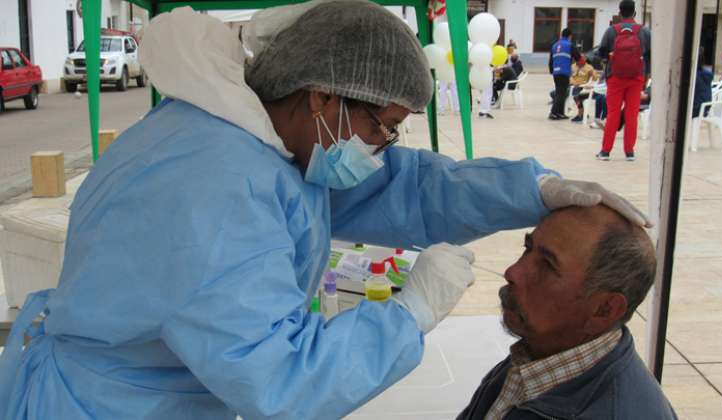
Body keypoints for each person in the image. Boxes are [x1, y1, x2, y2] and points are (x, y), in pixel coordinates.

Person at [0, 3, 652, 420]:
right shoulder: (215, 187)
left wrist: (529, 192)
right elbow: (279, 382)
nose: (383, 147)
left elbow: (399, 187)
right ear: (321, 98)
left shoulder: (267, 140)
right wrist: (406, 316)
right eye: (383, 125)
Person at [458, 204, 678, 420]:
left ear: (604, 310)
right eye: (527, 248)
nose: (512, 272)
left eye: (547, 265)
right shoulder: (543, 351)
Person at [596, 0, 651, 162]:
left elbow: (601, 52)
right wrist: (645, 73)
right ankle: (629, 152)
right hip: (636, 78)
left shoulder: (611, 31)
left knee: (613, 113)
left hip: (615, 77)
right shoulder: (644, 32)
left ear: (619, 13)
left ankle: (605, 151)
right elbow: (650, 55)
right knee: (631, 114)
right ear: (634, 13)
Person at [549, 28, 581, 120]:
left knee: (561, 92)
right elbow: (578, 57)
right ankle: (553, 112)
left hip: (556, 72)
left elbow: (551, 59)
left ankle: (560, 113)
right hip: (564, 71)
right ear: (570, 36)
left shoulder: (554, 45)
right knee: (561, 93)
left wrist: (552, 70)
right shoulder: (569, 45)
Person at [569, 55, 599, 123]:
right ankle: (583, 113)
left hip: (583, 86)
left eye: (583, 59)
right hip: (573, 85)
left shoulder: (589, 67)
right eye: (579, 59)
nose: (581, 61)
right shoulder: (572, 66)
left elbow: (596, 78)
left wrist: (592, 74)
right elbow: (569, 77)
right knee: (555, 93)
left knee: (576, 97)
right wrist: (574, 83)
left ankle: (580, 114)